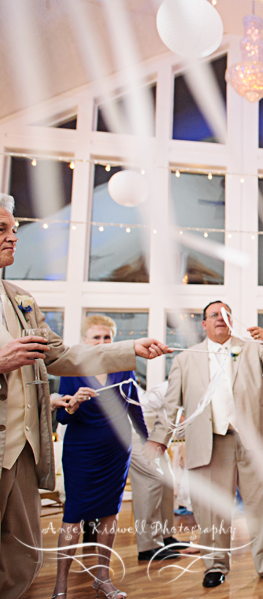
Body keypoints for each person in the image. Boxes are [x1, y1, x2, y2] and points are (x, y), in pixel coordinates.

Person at [0, 194, 169, 599]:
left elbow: (62, 355)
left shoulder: (20, 299)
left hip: (20, 451)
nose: (12, 238)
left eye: (13, 230)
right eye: (1, 230)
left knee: (19, 555)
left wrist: (129, 349)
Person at [147, 301, 263, 589]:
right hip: (209, 442)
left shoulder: (250, 347)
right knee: (211, 508)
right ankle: (215, 564)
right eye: (214, 315)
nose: (220, 319)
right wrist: (160, 439)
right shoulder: (186, 358)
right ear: (204, 324)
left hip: (252, 440)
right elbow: (171, 403)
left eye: (226, 315)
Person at [51, 316, 152, 599]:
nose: (102, 343)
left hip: (116, 454)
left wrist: (148, 441)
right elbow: (61, 416)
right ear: (84, 341)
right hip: (81, 453)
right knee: (72, 517)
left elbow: (135, 410)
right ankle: (60, 585)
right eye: (96, 338)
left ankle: (102, 578)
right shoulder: (71, 370)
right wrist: (74, 404)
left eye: (107, 338)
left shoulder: (123, 367)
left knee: (110, 514)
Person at [128, 381, 182, 562]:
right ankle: (148, 546)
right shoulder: (167, 388)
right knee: (151, 480)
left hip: (155, 433)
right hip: (135, 430)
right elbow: (140, 409)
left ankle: (166, 537)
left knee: (167, 479)